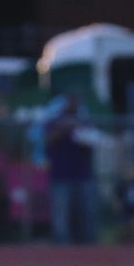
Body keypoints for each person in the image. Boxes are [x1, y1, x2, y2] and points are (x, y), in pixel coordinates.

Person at [45, 92, 99, 245]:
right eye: (72, 101)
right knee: (60, 217)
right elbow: (48, 140)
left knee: (89, 213)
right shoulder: (56, 118)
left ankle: (91, 250)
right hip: (60, 175)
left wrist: (85, 138)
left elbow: (93, 144)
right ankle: (63, 252)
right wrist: (64, 128)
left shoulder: (84, 120)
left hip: (83, 174)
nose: (75, 104)